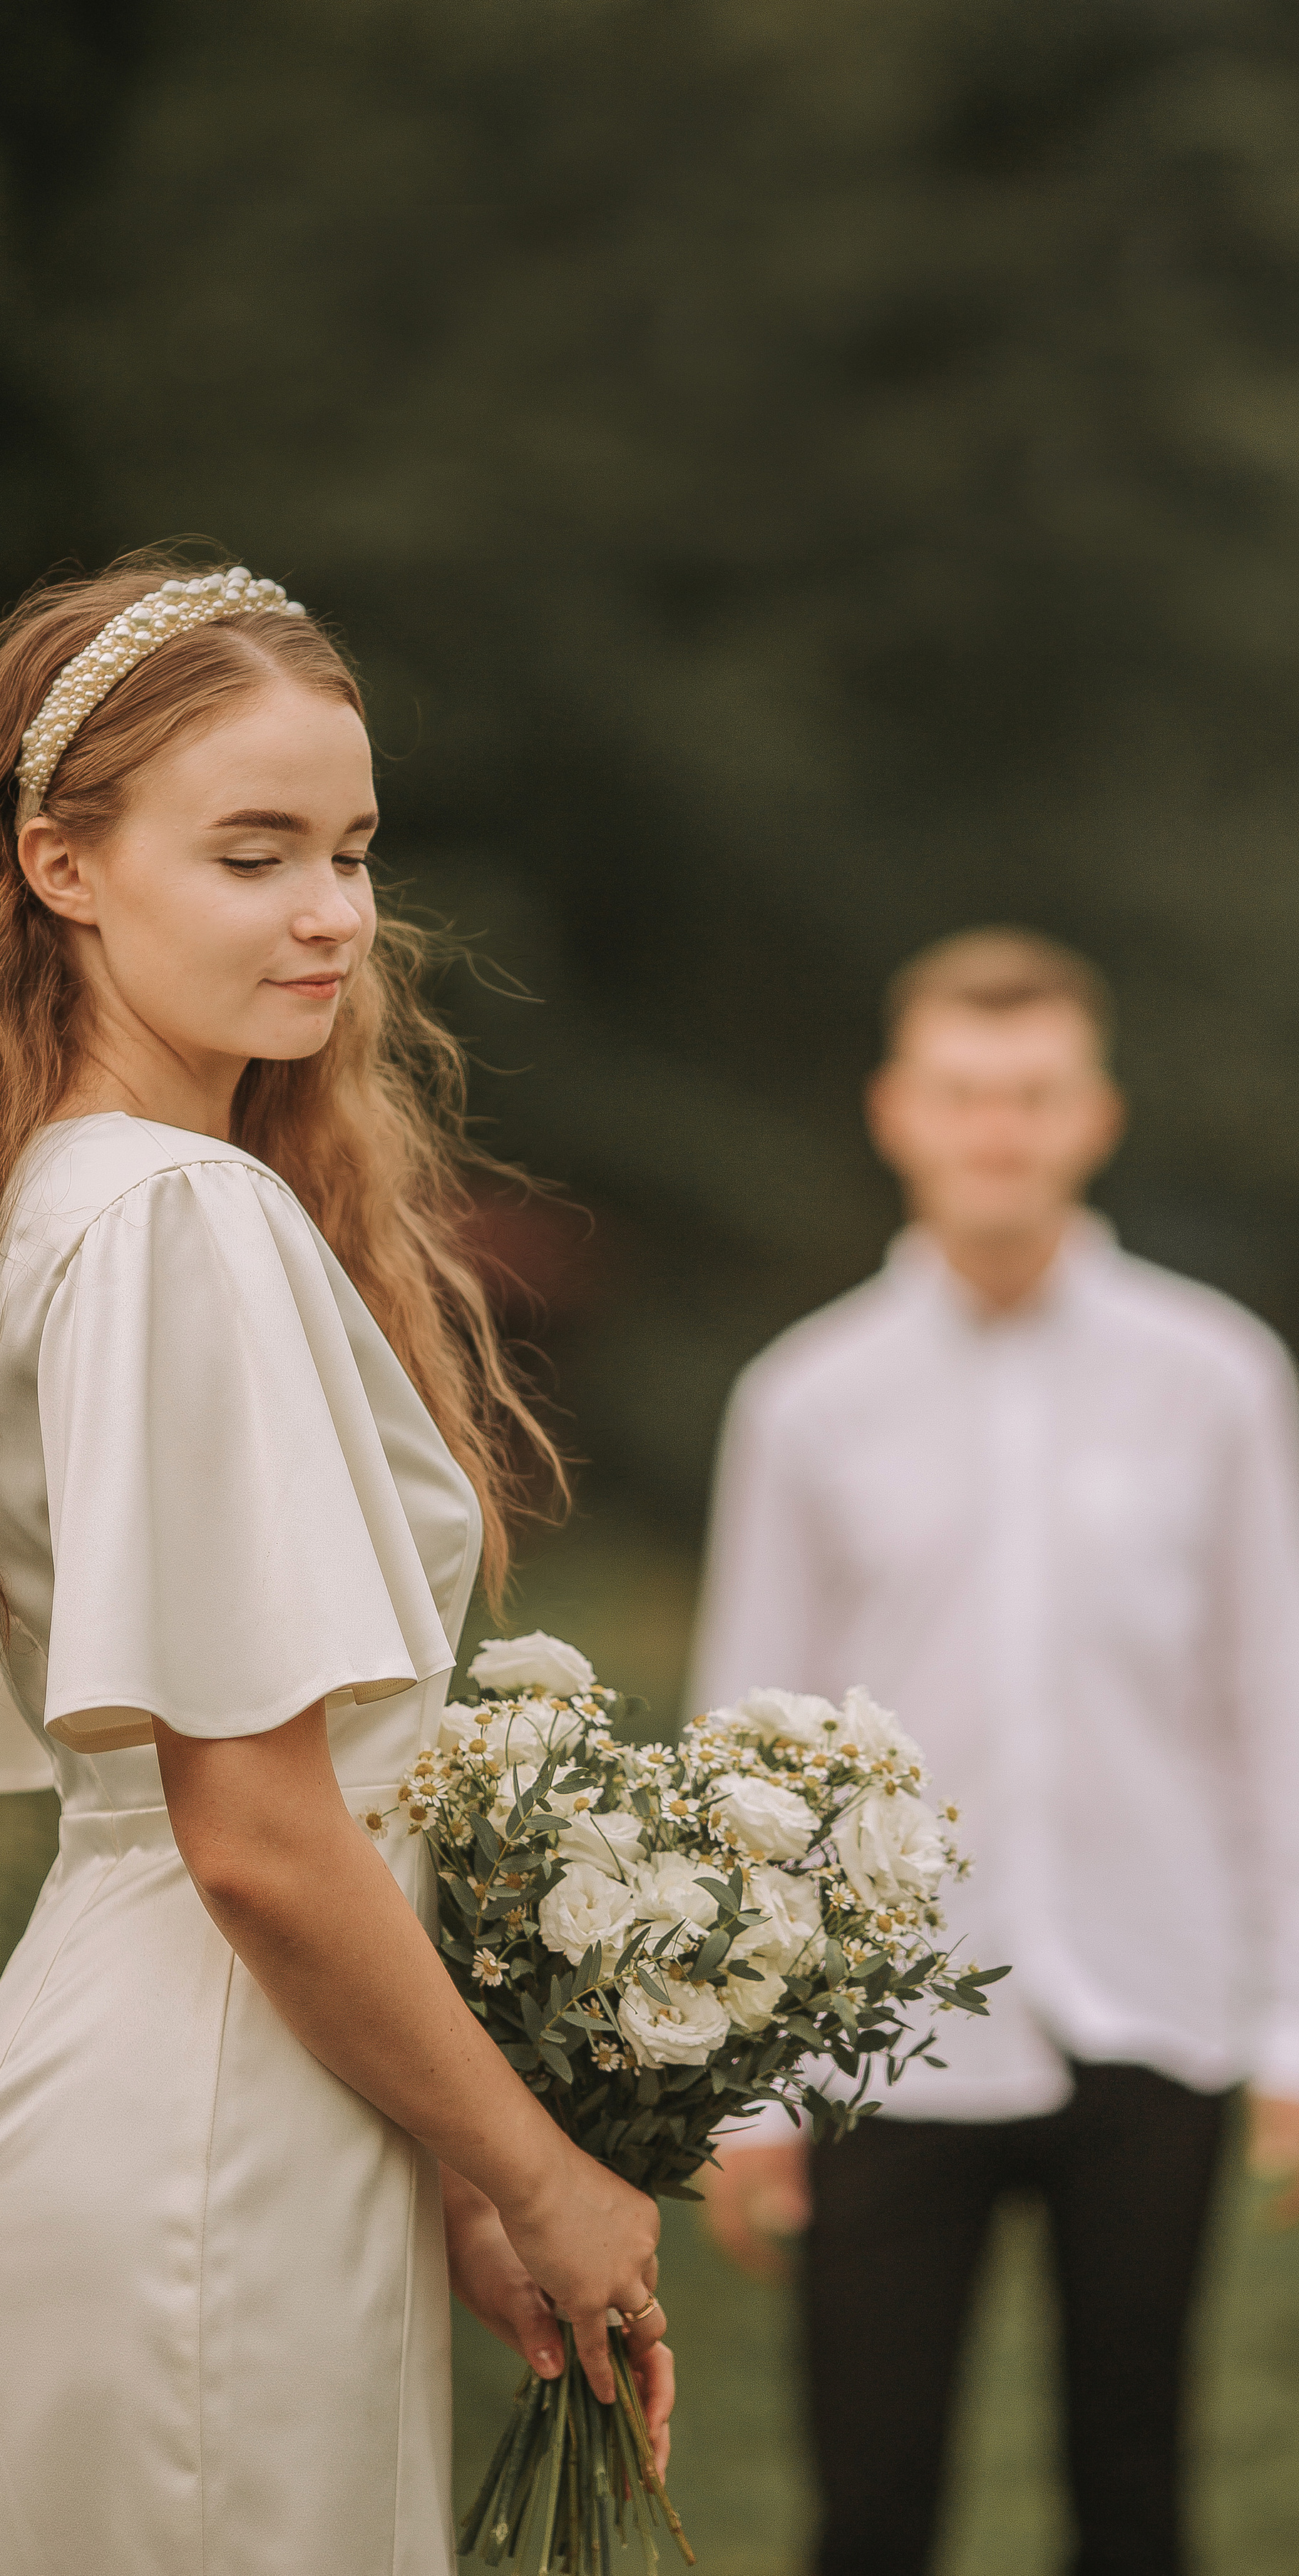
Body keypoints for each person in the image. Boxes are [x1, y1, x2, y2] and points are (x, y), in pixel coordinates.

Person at [0, 555, 673, 2575]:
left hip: (253, 2078)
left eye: (356, 851)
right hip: (213, 2102)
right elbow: (261, 1827)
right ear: (67, 866)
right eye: (253, 851)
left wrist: (446, 2162)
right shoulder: (173, 1218)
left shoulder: (78, 1191)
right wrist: (538, 2168)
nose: (332, 915)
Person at [692, 927, 1299, 2576]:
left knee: (1132, 2502)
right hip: (880, 2036)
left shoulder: (1213, 1377)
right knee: (868, 2510)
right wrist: (741, 2088)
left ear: (1094, 1115)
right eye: (961, 1093)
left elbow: (1283, 1706)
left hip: (1158, 2006)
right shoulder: (805, 1400)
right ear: (894, 1111)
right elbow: (744, 1751)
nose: (995, 1129)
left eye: (1031, 1094)